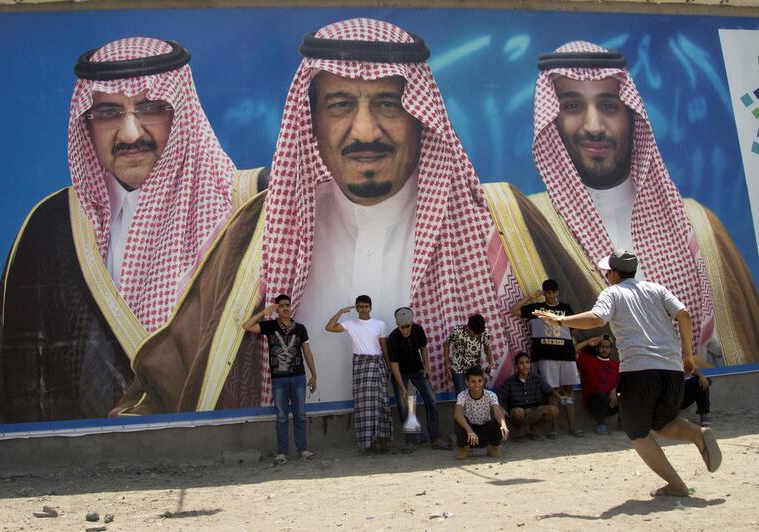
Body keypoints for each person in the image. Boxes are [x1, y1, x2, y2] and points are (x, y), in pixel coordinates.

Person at [111, 18, 530, 416]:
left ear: (419, 119)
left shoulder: (487, 239)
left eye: (388, 104)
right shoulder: (255, 234)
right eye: (340, 105)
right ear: (311, 121)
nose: (365, 131)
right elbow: (179, 370)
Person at [0, 37, 243, 425]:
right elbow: (13, 380)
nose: (130, 134)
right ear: (87, 125)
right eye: (109, 112)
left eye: (150, 108)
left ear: (182, 113)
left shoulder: (244, 212)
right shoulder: (50, 224)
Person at [527, 40, 759, 366]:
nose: (593, 127)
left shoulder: (700, 226)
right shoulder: (529, 224)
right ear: (553, 120)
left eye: (608, 106)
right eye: (573, 107)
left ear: (631, 116)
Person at [534, 249, 722, 497]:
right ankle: (698, 433)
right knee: (663, 423)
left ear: (613, 273)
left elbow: (596, 318)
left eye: (607, 272)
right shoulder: (657, 289)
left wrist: (559, 321)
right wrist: (687, 354)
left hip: (639, 369)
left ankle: (676, 485)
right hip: (672, 369)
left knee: (637, 431)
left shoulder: (612, 293)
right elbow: (684, 315)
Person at [242, 294, 317, 464]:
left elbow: (307, 352)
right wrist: (264, 313)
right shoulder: (270, 326)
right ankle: (282, 452)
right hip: (279, 379)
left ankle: (303, 449)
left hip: (298, 377)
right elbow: (246, 326)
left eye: (287, 305)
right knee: (282, 416)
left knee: (300, 414)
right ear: (277, 308)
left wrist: (314, 374)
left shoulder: (300, 328)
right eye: (281, 305)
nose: (285, 308)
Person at [511, 279, 583, 437]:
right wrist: (530, 297)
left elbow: (575, 329)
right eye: (548, 292)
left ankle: (572, 426)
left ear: (557, 292)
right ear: (544, 293)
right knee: (552, 391)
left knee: (569, 390)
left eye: (554, 292)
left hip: (566, 355)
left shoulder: (566, 308)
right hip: (545, 356)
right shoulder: (536, 308)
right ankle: (554, 428)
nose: (551, 295)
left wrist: (569, 340)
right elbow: (514, 311)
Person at [326, 295, 396, 452]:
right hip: (361, 368)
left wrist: (389, 368)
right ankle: (368, 444)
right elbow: (329, 327)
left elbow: (384, 348)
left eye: (366, 306)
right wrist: (341, 311)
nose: (364, 309)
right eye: (360, 306)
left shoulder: (379, 324)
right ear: (356, 308)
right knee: (363, 405)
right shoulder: (350, 324)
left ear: (371, 308)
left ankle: (383, 442)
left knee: (382, 403)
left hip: (378, 366)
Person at [387, 307, 451, 452]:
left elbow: (423, 347)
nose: (404, 330)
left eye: (407, 327)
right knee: (405, 406)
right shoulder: (393, 338)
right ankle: (411, 441)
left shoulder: (418, 330)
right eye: (401, 327)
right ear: (397, 325)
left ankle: (435, 438)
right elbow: (394, 365)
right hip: (401, 373)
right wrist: (402, 388)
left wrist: (427, 366)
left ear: (411, 323)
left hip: (417, 370)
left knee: (432, 401)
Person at [496, 352, 561, 440]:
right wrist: (504, 413)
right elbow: (500, 398)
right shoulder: (510, 381)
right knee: (518, 412)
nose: (525, 366)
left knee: (554, 410)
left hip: (534, 410)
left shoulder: (537, 378)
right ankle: (519, 430)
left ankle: (534, 429)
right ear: (516, 366)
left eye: (527, 362)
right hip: (517, 412)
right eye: (521, 363)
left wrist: (558, 396)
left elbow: (549, 390)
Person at [454, 366, 509, 460]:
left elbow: (497, 410)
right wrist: (469, 430)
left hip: (485, 432)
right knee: (458, 420)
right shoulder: (462, 396)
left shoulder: (491, 395)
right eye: (473, 381)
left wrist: (504, 425)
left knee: (497, 420)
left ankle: (492, 447)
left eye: (479, 381)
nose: (477, 385)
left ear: (483, 381)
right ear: (467, 382)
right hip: (470, 433)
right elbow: (458, 413)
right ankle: (465, 448)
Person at [575, 335, 619, 434]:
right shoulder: (587, 360)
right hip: (594, 403)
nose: (604, 349)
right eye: (602, 347)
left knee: (626, 393)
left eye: (607, 347)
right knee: (601, 395)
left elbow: (624, 381)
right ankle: (601, 425)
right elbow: (569, 351)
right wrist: (587, 342)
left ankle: (624, 423)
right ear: (597, 348)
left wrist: (615, 389)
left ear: (611, 349)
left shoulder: (616, 365)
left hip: (612, 403)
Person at [443, 314, 495, 395]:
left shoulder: (484, 332)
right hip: (458, 366)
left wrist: (491, 363)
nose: (476, 335)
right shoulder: (457, 331)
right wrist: (446, 365)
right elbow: (446, 344)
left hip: (475, 366)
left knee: (478, 392)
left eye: (478, 333)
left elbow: (487, 348)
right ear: (468, 327)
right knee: (460, 394)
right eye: (474, 333)